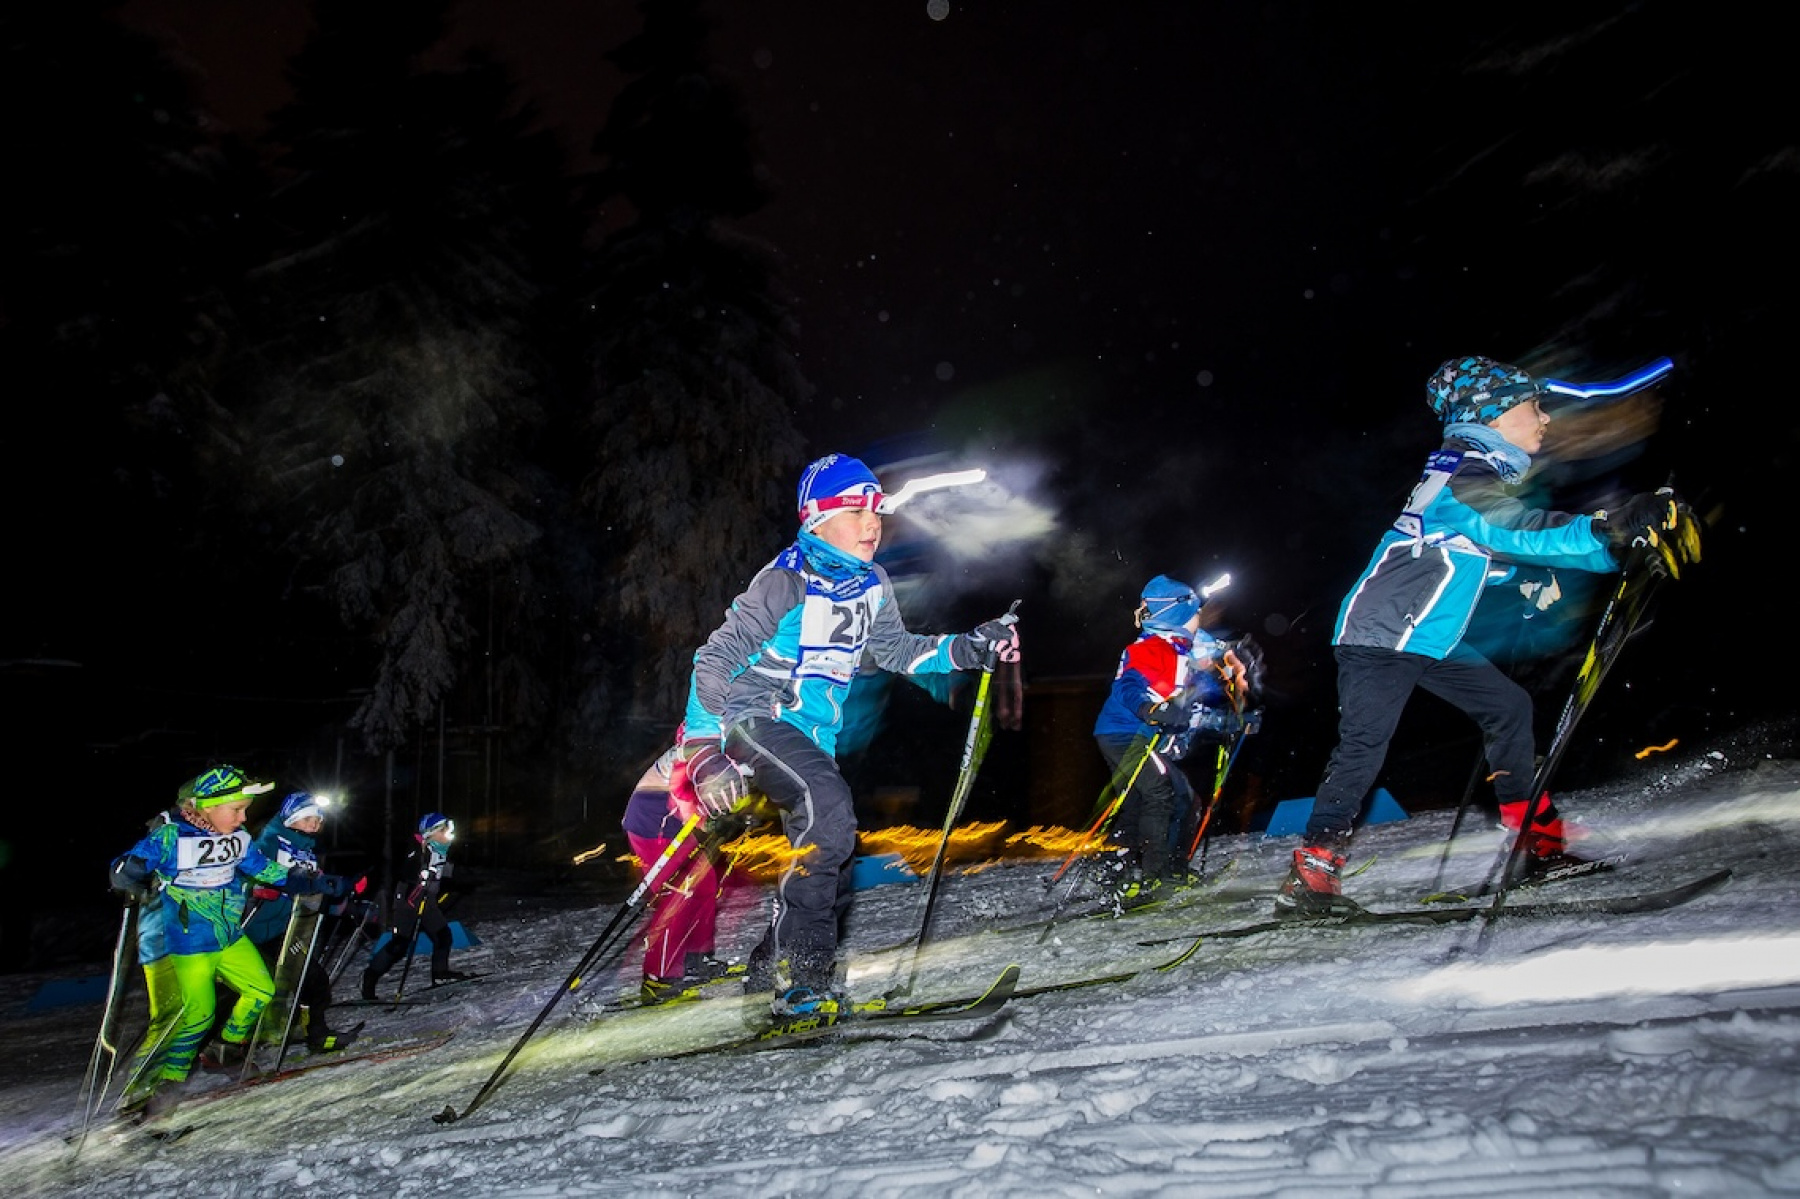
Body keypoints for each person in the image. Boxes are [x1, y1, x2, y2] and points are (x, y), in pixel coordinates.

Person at [1277, 354, 1688, 916]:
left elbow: (1471, 548)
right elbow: (1506, 527)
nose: (1545, 418)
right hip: (1379, 634)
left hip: (1430, 637)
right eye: (1534, 407)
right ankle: (1313, 868)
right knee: (1365, 744)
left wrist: (1603, 555)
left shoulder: (1470, 471)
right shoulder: (1463, 472)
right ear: (1492, 416)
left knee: (1509, 707)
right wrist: (1608, 529)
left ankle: (1537, 842)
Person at [679, 452, 1021, 1018]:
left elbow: (897, 651)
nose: (872, 523)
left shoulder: (873, 584)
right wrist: (702, 750)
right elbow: (715, 659)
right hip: (756, 718)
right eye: (855, 511)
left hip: (814, 737)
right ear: (816, 519)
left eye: (877, 511)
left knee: (830, 858)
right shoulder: (785, 581)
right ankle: (802, 983)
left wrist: (969, 646)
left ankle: (769, 967)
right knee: (828, 808)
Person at [108, 765, 353, 1116]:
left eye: (245, 810)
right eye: (236, 810)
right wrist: (125, 871)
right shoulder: (172, 836)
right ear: (207, 806)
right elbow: (131, 862)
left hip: (230, 938)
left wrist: (311, 882)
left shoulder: (238, 839)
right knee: (195, 1015)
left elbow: (266, 870)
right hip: (189, 942)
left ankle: (227, 1047)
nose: (243, 818)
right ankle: (157, 1090)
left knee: (261, 990)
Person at [1092, 575, 1257, 903]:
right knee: (1159, 793)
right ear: (1177, 616)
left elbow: (1190, 701)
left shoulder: (1180, 650)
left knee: (1178, 798)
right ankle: (1153, 876)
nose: (1200, 621)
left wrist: (1228, 720)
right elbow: (1127, 686)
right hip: (1123, 734)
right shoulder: (1150, 649)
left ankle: (1158, 868)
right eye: (1196, 615)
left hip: (1142, 736)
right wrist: (1150, 709)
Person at [621, 729, 737, 1003]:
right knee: (677, 896)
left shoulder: (730, 744)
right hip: (654, 822)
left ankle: (695, 959)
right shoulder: (699, 745)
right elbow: (682, 790)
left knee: (705, 885)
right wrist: (707, 817)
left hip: (677, 823)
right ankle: (659, 977)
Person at [243, 791, 361, 1052]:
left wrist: (342, 902)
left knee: (310, 981)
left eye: (318, 820)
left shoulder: (306, 850)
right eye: (308, 819)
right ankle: (237, 1041)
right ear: (290, 818)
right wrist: (257, 888)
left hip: (287, 926)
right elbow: (249, 872)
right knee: (297, 982)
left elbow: (312, 887)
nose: (314, 824)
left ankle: (310, 1031)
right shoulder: (270, 842)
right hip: (258, 927)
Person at [361, 812, 469, 998]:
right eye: (444, 831)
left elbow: (447, 874)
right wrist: (421, 874)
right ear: (432, 833)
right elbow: (407, 871)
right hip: (409, 900)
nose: (449, 835)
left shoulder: (441, 851)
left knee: (443, 935)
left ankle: (440, 973)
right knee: (400, 944)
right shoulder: (418, 850)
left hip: (428, 901)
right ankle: (370, 977)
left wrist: (462, 880)